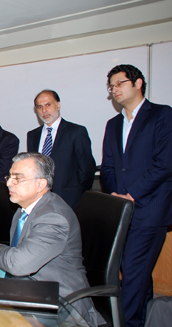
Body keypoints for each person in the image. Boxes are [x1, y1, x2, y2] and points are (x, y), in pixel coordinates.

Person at [0, 152, 99, 327]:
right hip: (31, 290)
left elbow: (19, 264)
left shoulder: (54, 216)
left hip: (62, 303)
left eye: (18, 178)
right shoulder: (23, 210)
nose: (9, 183)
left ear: (40, 184)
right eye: (10, 176)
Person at [100, 64, 172, 327]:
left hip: (149, 209)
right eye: (111, 86)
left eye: (119, 83)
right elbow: (107, 166)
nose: (114, 90)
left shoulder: (162, 115)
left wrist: (132, 194)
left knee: (132, 273)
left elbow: (164, 163)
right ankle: (148, 319)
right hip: (121, 210)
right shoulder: (113, 123)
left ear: (138, 83)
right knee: (136, 274)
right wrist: (115, 194)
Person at [27, 90, 95, 209]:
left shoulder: (76, 132)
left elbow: (87, 169)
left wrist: (76, 193)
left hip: (69, 201)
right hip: (39, 201)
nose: (44, 111)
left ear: (58, 105)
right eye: (40, 107)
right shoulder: (32, 135)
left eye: (48, 105)